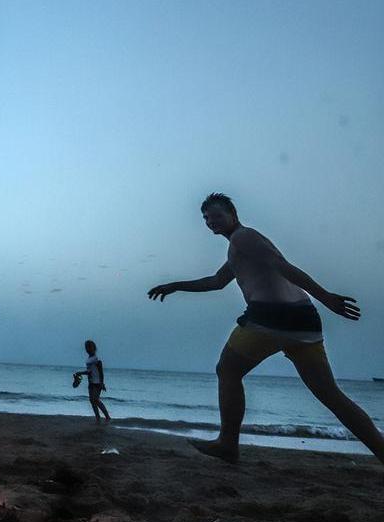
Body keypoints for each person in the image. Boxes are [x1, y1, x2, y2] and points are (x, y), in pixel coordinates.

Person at [148, 193, 384, 465]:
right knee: (331, 395)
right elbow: (216, 281)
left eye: (217, 215)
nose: (211, 221)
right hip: (304, 322)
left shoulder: (243, 237)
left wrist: (327, 297)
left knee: (227, 369)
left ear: (233, 215)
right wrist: (175, 285)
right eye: (206, 218)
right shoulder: (239, 248)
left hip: (271, 319)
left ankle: (228, 444)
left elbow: (282, 266)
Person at [74, 340, 110, 425]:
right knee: (91, 400)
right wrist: (81, 373)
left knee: (96, 400)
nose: (88, 349)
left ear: (94, 348)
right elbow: (89, 371)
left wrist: (102, 383)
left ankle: (107, 416)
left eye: (90, 347)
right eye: (87, 347)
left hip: (97, 382)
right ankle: (97, 417)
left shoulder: (96, 359)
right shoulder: (88, 359)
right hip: (91, 382)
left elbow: (100, 372)